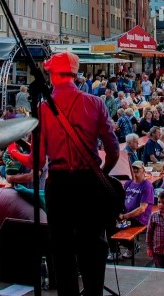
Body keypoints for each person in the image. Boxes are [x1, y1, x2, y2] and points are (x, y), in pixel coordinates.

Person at [38, 51, 120, 296]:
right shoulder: (95, 103)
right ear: (75, 74)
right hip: (88, 182)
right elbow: (113, 150)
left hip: (59, 184)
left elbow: (37, 160)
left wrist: (13, 150)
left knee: (62, 248)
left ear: (53, 75)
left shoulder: (43, 108)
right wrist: (102, 172)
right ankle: (94, 291)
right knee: (92, 245)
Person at [115, 161, 154, 259]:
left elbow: (142, 209)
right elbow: (121, 199)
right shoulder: (128, 183)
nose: (135, 170)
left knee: (118, 227)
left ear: (143, 170)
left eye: (138, 168)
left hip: (139, 219)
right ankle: (114, 251)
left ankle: (132, 247)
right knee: (108, 224)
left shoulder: (147, 186)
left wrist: (124, 216)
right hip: (126, 216)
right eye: (134, 168)